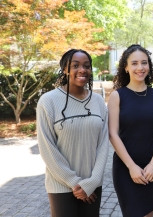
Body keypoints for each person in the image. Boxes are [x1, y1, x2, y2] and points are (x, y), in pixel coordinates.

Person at [36, 49, 109, 217]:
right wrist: (75, 183)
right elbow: (47, 148)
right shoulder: (48, 101)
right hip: (61, 186)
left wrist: (92, 183)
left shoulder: (98, 101)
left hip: (92, 186)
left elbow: (103, 144)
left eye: (86, 66)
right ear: (65, 69)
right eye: (75, 65)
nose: (82, 70)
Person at [107, 44, 153, 217]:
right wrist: (131, 166)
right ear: (125, 67)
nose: (140, 68)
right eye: (134, 63)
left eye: (144, 63)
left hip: (152, 166)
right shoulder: (117, 96)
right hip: (126, 167)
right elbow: (113, 134)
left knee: (149, 214)